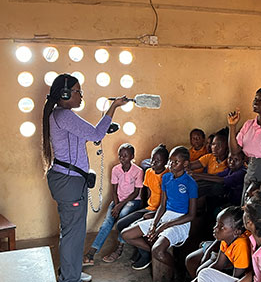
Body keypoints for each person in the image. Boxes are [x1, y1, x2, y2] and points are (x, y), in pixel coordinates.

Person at [42, 73, 127, 282]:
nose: (81, 96)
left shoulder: (57, 115)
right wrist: (114, 106)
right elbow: (97, 134)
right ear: (64, 93)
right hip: (69, 182)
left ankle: (69, 272)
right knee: (74, 233)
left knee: (71, 231)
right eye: (78, 91)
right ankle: (70, 278)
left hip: (67, 180)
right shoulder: (65, 115)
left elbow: (81, 138)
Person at [122, 146, 197, 282]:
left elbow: (191, 215)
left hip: (181, 222)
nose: (171, 165)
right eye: (170, 161)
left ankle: (178, 272)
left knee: (158, 250)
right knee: (126, 234)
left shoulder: (190, 183)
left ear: (185, 164)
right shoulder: (166, 177)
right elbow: (162, 206)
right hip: (165, 216)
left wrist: (165, 225)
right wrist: (155, 224)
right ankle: (162, 254)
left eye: (176, 162)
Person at [83, 143, 143, 265]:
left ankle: (119, 249)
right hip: (118, 200)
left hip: (133, 200)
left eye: (125, 156)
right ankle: (92, 253)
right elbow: (114, 190)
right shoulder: (116, 169)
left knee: (123, 216)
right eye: (120, 155)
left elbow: (136, 192)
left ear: (132, 156)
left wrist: (119, 207)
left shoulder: (138, 171)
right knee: (107, 222)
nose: (122, 158)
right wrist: (116, 205)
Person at [116, 144, 169, 264]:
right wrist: (143, 210)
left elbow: (167, 202)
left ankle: (145, 255)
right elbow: (149, 193)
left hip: (160, 211)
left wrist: (154, 214)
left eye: (158, 161)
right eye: (152, 160)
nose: (154, 163)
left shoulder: (168, 175)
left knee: (133, 228)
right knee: (120, 224)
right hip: (149, 208)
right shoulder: (149, 172)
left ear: (165, 162)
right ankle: (145, 252)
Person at [186, 206, 251, 281]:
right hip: (235, 269)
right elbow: (219, 264)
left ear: (236, 232)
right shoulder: (225, 240)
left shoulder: (241, 246)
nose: (215, 228)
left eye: (221, 226)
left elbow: (236, 277)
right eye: (217, 223)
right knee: (201, 272)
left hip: (244, 277)